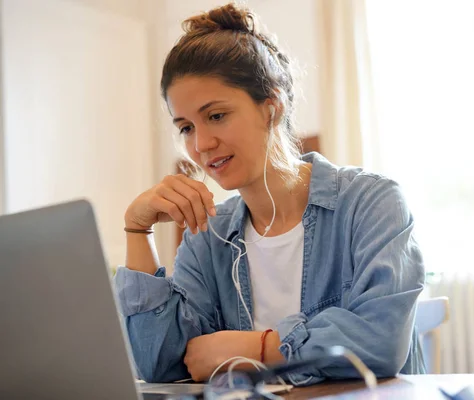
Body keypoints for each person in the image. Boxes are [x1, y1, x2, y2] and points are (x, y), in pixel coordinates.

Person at [114, 2, 425, 386]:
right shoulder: (208, 233)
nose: (201, 144)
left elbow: (381, 342)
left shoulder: (372, 202)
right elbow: (159, 363)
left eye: (215, 116)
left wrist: (256, 348)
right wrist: (137, 229)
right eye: (185, 128)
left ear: (271, 108)